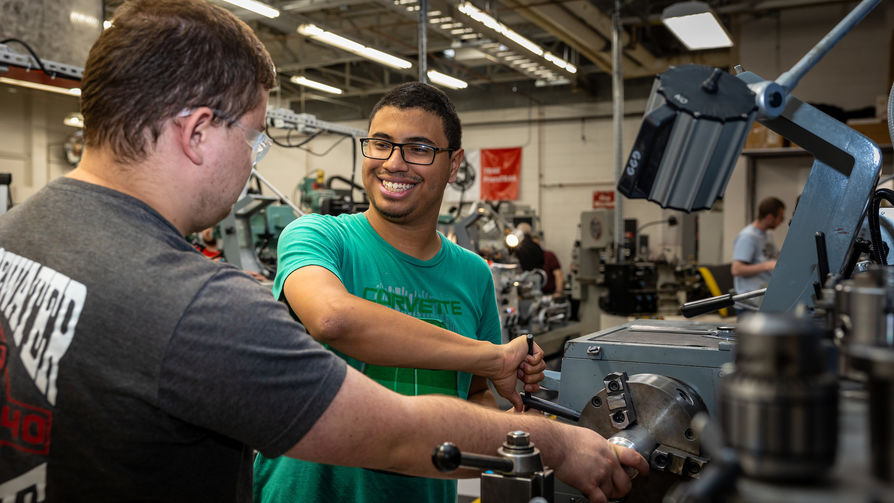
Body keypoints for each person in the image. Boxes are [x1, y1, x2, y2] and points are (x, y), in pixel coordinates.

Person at [0, 1, 647, 501]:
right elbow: (392, 428)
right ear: (198, 133)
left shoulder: (19, 235)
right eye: (254, 140)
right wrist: (557, 440)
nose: (253, 163)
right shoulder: (194, 307)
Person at [254, 83, 543, 503]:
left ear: (454, 164)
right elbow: (332, 318)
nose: (394, 163)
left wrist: (487, 428)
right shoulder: (318, 236)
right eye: (380, 144)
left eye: (419, 149)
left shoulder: (473, 274)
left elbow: (477, 393)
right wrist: (495, 356)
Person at [731, 196, 786, 295]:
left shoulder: (767, 235)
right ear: (770, 217)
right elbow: (736, 269)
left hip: (765, 293)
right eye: (781, 217)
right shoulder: (747, 237)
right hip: (750, 299)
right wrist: (767, 265)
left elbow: (776, 257)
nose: (782, 221)